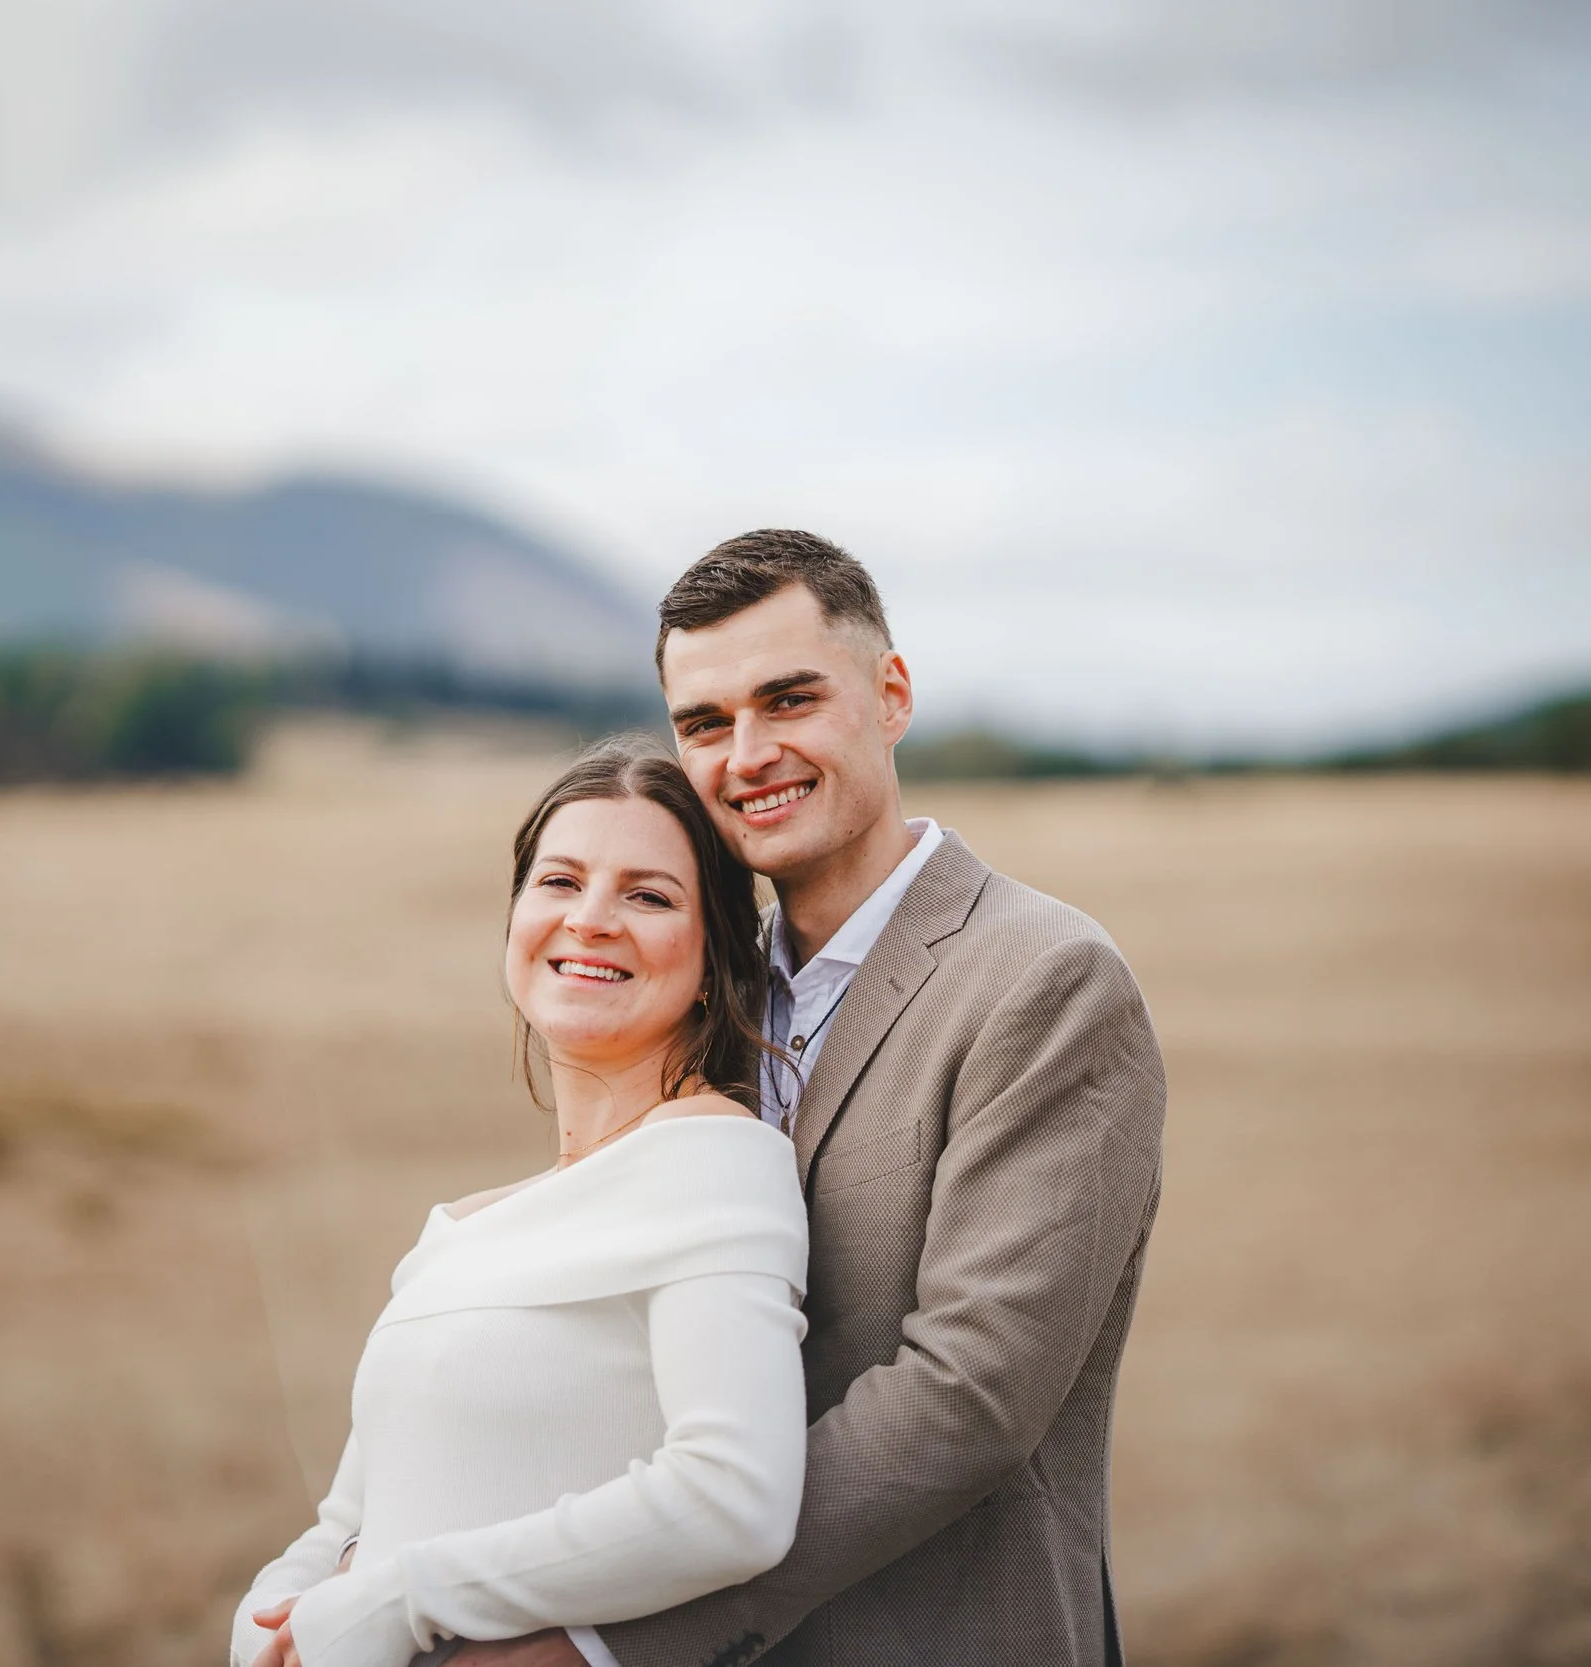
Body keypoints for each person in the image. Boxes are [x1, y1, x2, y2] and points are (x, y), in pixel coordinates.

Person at [460, 530, 1167, 1667]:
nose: (747, 754)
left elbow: (970, 1394)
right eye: (703, 721)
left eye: (788, 698)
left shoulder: (1045, 980)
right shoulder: (704, 976)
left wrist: (602, 1640)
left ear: (889, 694)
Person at [230, 739, 810, 1667]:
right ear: (515, 920)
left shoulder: (717, 1163)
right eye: (560, 881)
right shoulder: (457, 1231)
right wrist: (272, 1615)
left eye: (648, 895)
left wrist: (408, 1596)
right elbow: (351, 1519)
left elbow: (733, 1494)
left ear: (713, 959)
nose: (591, 919)